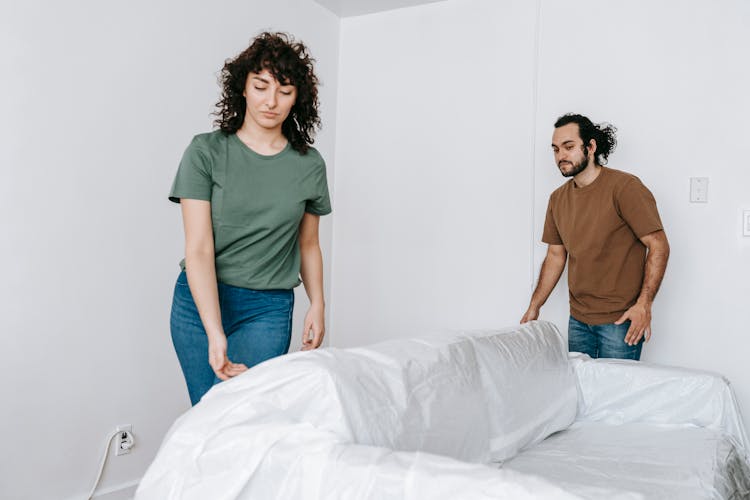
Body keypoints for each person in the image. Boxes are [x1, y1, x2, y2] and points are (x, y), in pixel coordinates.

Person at [168, 32, 331, 405]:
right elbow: (198, 249)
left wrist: (318, 303)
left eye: (285, 91)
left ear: (298, 99)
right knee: (206, 414)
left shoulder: (309, 165)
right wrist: (213, 329)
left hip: (267, 309)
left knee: (245, 415)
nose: (271, 101)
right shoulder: (205, 152)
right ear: (243, 87)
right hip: (198, 304)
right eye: (261, 86)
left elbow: (308, 243)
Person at [521, 113, 669, 360]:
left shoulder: (625, 188)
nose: (561, 156)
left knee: (617, 397)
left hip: (621, 321)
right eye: (556, 150)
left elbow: (659, 246)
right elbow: (556, 256)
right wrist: (535, 306)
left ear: (591, 147)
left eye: (569, 147)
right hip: (578, 320)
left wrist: (644, 305)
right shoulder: (558, 199)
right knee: (582, 395)